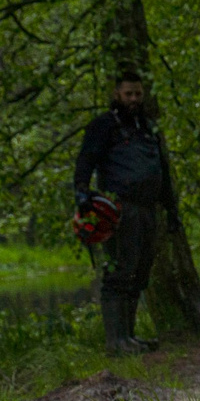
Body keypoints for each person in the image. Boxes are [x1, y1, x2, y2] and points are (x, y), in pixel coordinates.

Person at [73, 70, 166, 354]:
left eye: (138, 93)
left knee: (139, 273)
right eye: (128, 94)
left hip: (148, 208)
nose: (134, 99)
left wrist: (171, 210)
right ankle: (116, 341)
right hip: (119, 209)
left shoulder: (147, 127)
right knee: (119, 272)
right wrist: (82, 193)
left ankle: (129, 337)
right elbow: (85, 161)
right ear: (117, 94)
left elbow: (163, 170)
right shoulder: (103, 125)